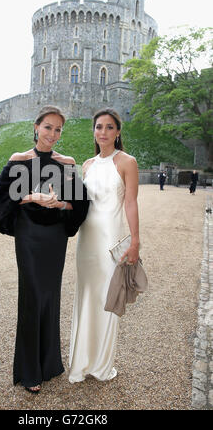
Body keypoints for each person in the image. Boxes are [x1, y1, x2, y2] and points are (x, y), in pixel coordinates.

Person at [0, 105, 89, 393]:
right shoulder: (19, 159)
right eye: (48, 127)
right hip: (30, 235)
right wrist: (30, 197)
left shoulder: (67, 161)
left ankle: (50, 364)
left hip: (55, 236)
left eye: (58, 129)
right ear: (36, 127)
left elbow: (80, 203)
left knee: (50, 295)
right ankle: (30, 371)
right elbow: (2, 198)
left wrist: (59, 203)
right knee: (32, 295)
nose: (53, 134)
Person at [69, 108, 140, 383]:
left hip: (110, 241)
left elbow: (131, 202)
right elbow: (79, 204)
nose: (103, 132)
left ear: (118, 132)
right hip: (86, 240)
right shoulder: (86, 165)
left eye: (109, 127)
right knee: (86, 296)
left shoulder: (126, 162)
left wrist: (135, 241)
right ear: (94, 131)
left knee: (107, 299)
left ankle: (101, 364)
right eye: (99, 127)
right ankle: (82, 362)